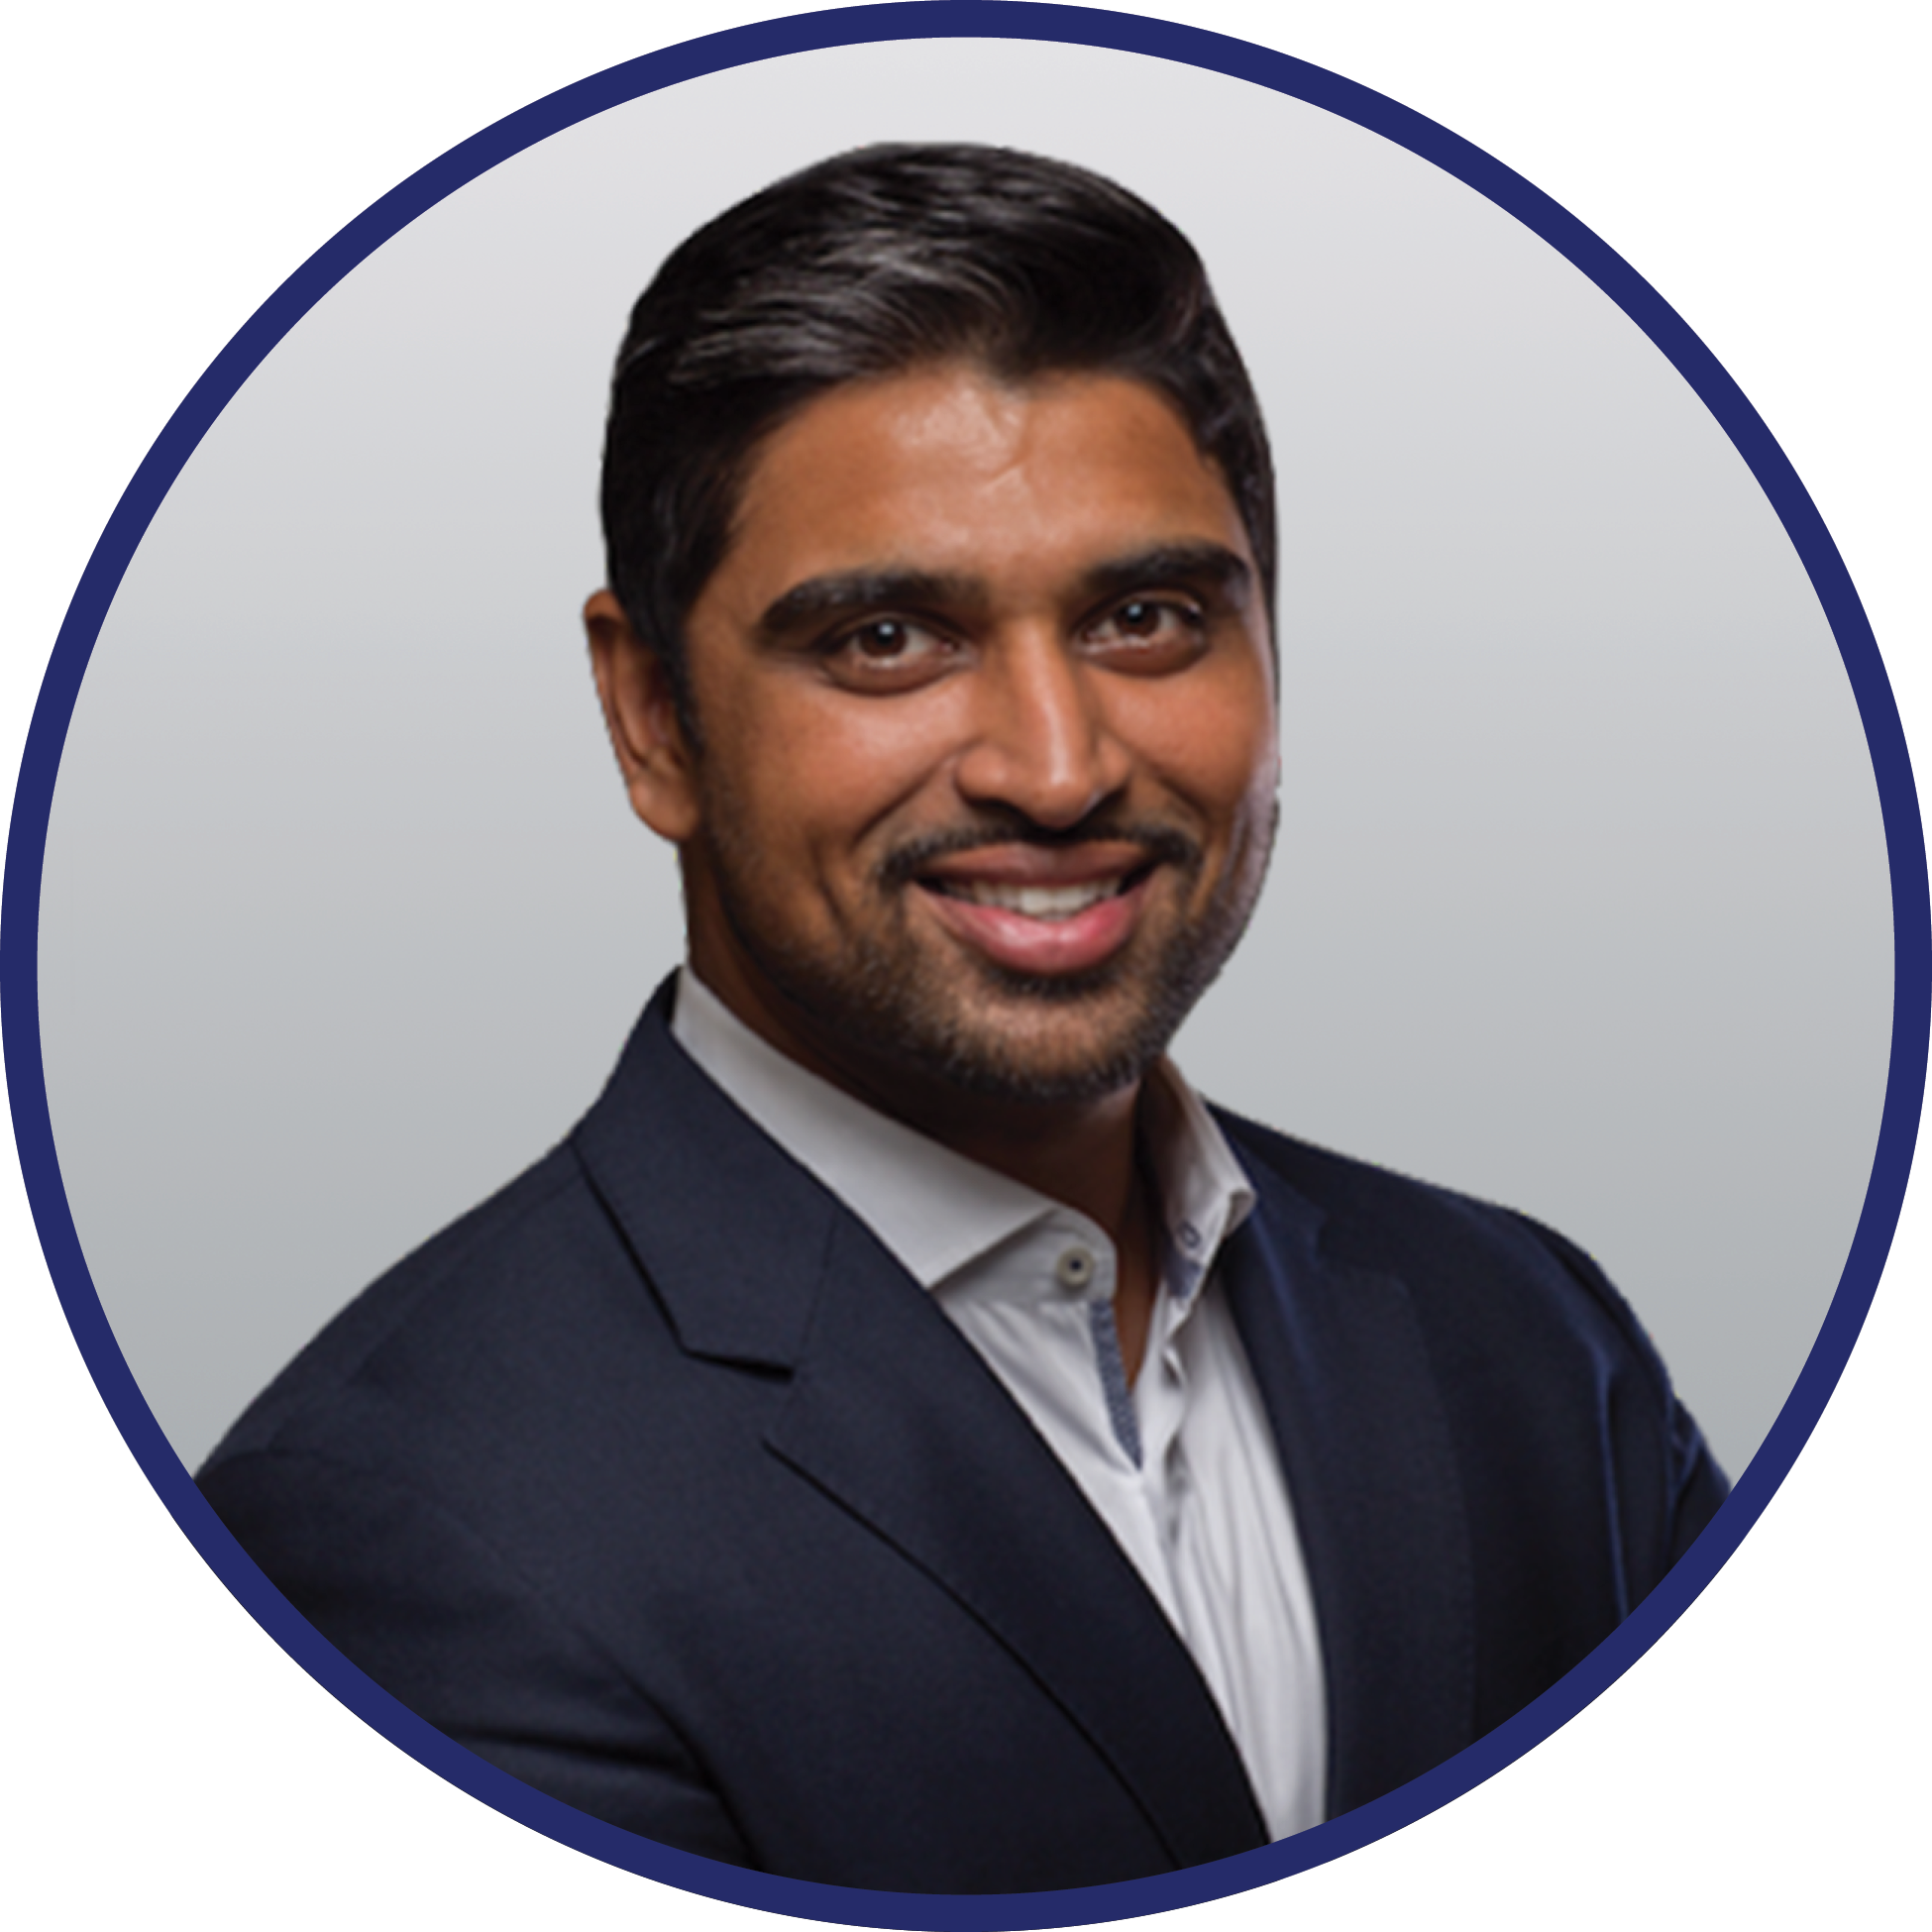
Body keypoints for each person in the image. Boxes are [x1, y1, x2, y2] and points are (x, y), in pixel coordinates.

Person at [197, 144, 1727, 1894]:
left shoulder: (1527, 1339)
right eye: (886, 640)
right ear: (650, 718)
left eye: (1146, 617)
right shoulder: (403, 1520)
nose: (1057, 766)